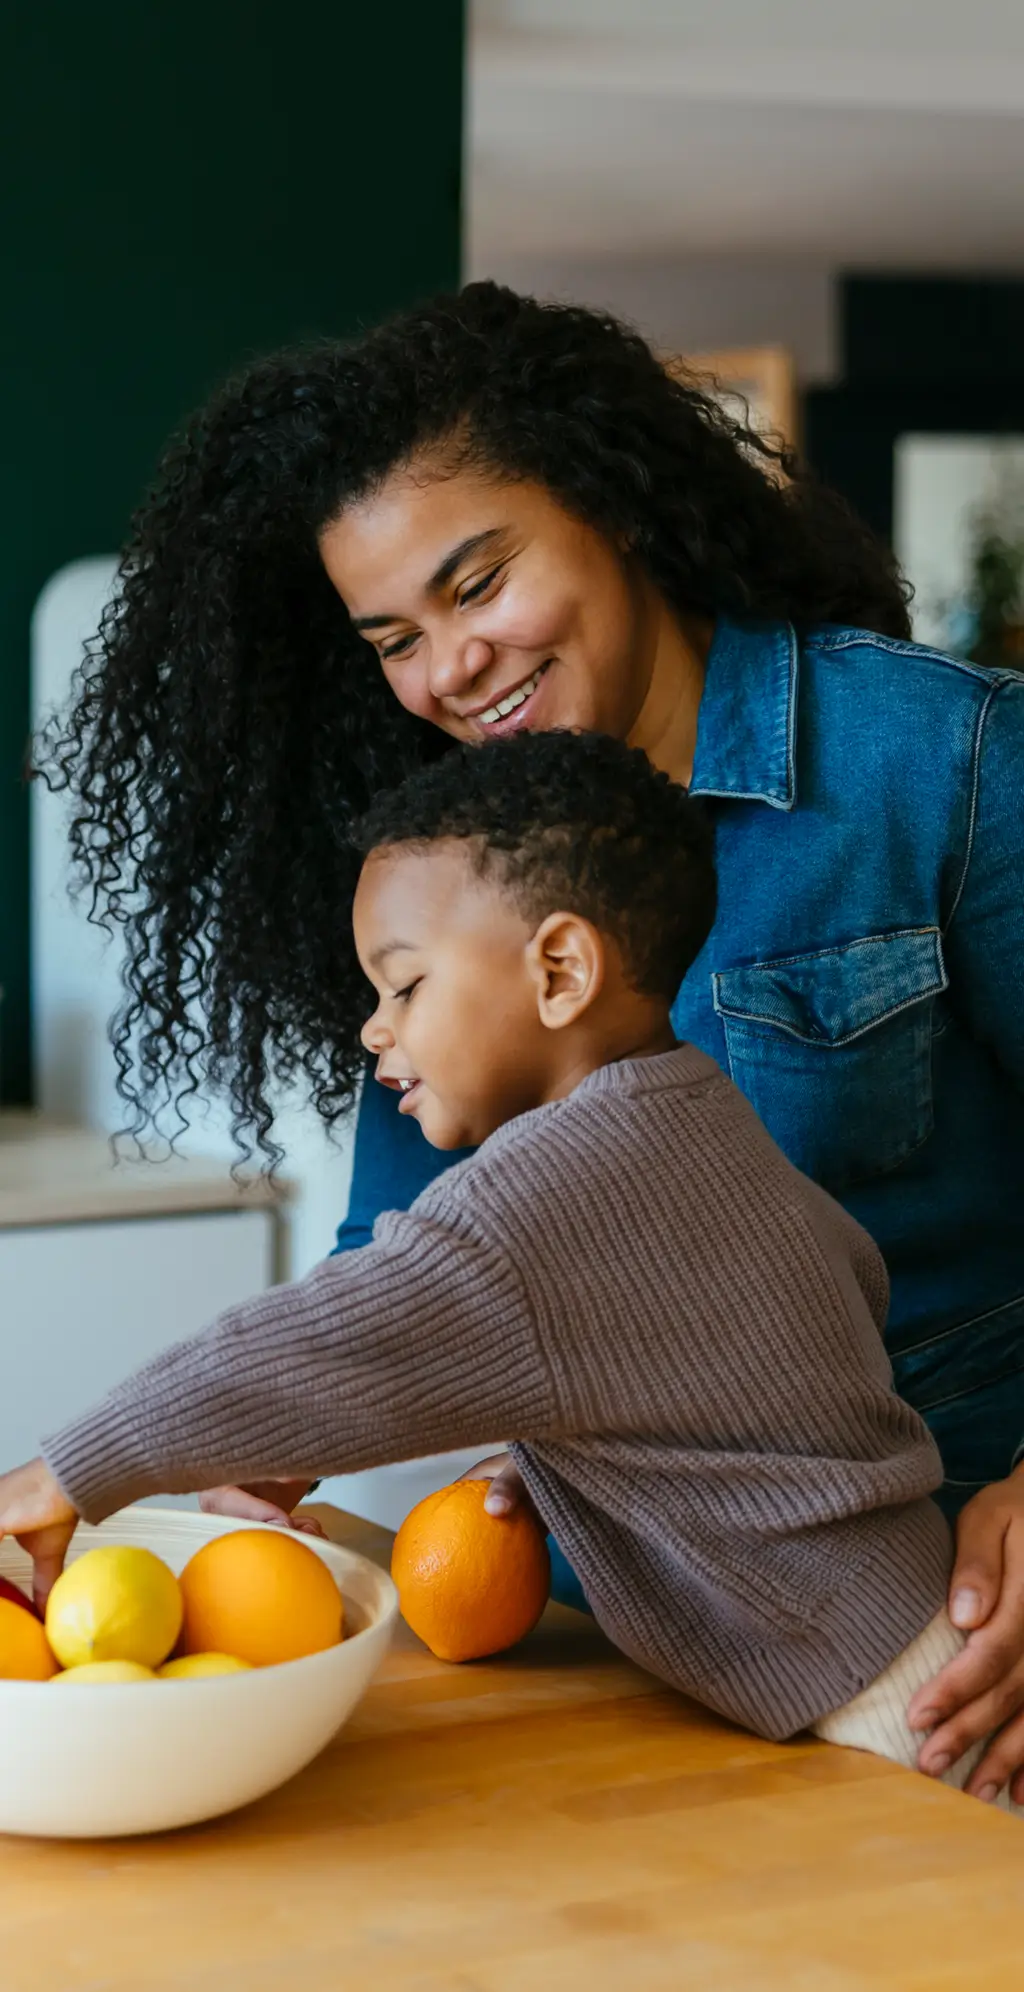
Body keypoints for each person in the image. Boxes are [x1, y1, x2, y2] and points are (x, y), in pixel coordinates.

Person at [40, 282, 1024, 1801]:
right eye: (391, 638)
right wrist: (259, 1447)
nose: (449, 669)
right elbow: (405, 1263)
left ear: (612, 499)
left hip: (946, 1644)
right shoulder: (444, 874)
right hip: (633, 1655)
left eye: (479, 582)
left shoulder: (943, 766)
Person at [3, 734, 1019, 1808]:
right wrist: (578, 1457)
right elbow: (820, 1302)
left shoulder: (544, 1189)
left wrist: (70, 1470)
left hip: (898, 1713)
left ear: (559, 971)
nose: (373, 1029)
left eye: (402, 987)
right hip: (903, 1629)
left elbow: (332, 1337)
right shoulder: (699, 1120)